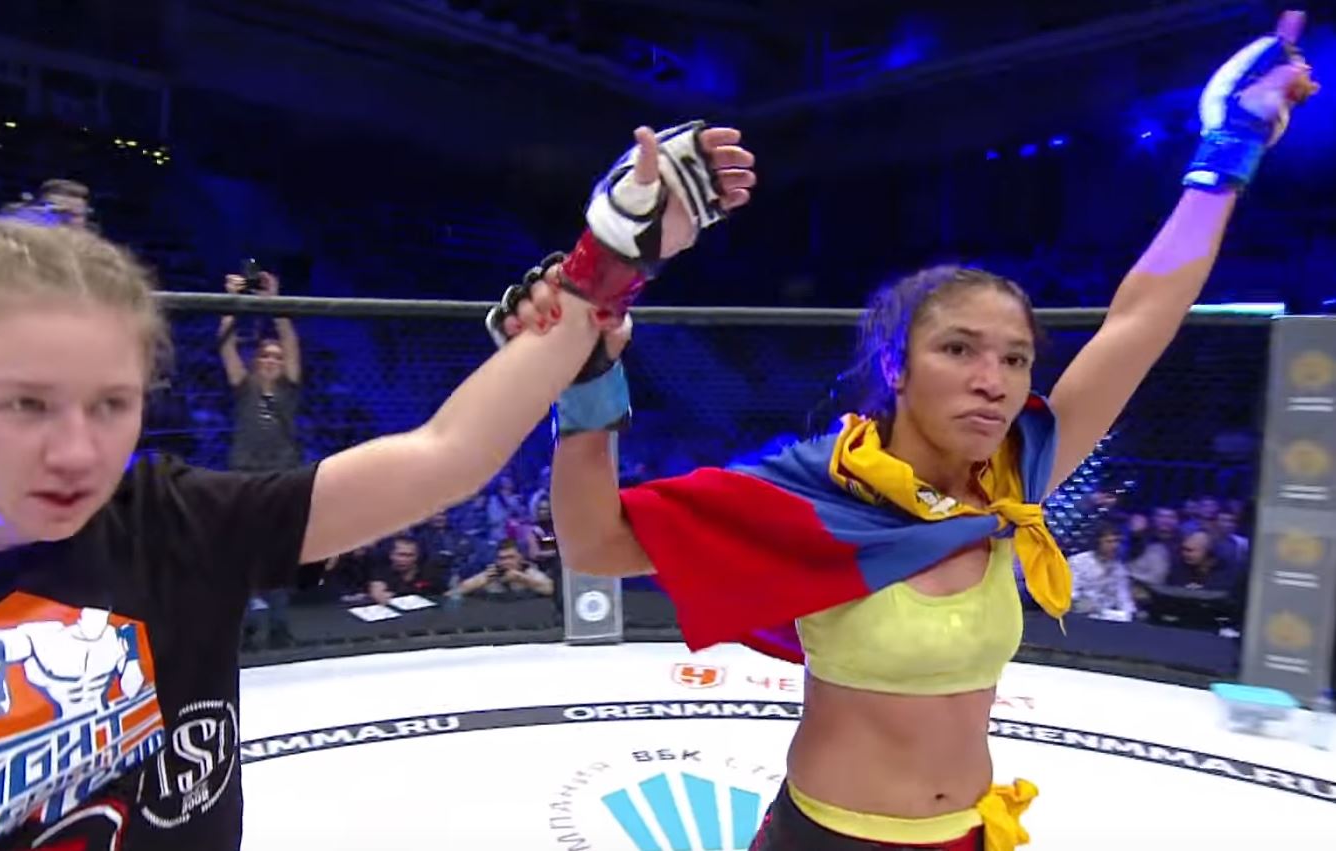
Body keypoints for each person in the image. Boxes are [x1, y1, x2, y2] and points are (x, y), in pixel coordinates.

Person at [0, 119, 757, 850]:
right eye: (26, 405)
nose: (75, 450)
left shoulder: (176, 519)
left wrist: (604, 263)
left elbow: (445, 454)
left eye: (111, 404)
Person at [538, 14, 1315, 851]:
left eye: (1015, 358)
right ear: (895, 364)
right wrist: (587, 373)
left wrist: (1232, 144)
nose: (993, 379)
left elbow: (1142, 317)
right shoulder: (814, 496)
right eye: (958, 349)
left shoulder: (1017, 471)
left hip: (964, 833)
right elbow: (593, 542)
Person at [218, 268, 304, 473]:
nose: (271, 361)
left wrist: (273, 301)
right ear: (256, 361)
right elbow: (226, 346)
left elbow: (290, 342)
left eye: (277, 357)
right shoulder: (245, 384)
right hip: (244, 468)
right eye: (265, 355)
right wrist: (232, 301)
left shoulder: (289, 385)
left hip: (283, 468)